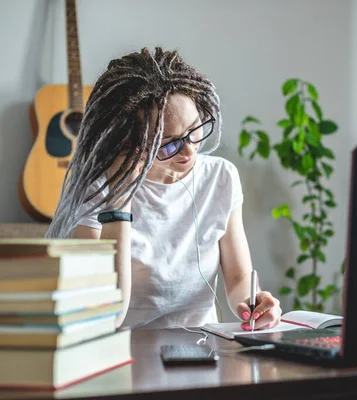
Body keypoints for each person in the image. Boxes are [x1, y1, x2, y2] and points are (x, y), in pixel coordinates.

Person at [46, 47, 282, 330]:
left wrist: (253, 303)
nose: (190, 150)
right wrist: (120, 198)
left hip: (201, 351)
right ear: (127, 142)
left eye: (195, 130)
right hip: (123, 352)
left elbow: (239, 280)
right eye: (169, 143)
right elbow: (108, 314)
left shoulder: (221, 177)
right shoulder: (98, 188)